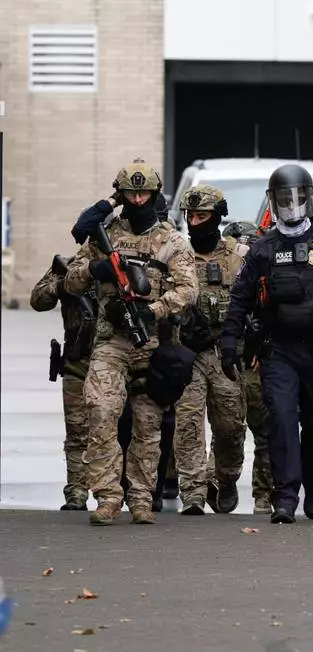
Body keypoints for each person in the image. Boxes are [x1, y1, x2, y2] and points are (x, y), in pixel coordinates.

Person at [219, 164, 313, 524]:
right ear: (273, 202)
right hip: (279, 350)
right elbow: (239, 298)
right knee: (282, 419)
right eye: (284, 199)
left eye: (298, 198)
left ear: (309, 198)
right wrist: (229, 340)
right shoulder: (263, 249)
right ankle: (285, 497)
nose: (292, 205)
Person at [63, 159, 199, 526]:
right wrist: (95, 269)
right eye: (131, 193)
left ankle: (141, 498)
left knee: (147, 425)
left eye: (144, 194)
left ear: (154, 195)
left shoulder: (172, 241)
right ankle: (108, 496)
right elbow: (70, 281)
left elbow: (188, 290)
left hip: (153, 343)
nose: (138, 200)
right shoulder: (103, 235)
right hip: (111, 342)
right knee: (101, 411)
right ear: (120, 195)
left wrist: (154, 310)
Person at [173, 185, 249, 515]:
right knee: (188, 423)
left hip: (225, 352)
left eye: (201, 216)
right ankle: (192, 491)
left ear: (217, 217)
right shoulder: (177, 255)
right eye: (190, 216)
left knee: (230, 427)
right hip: (189, 353)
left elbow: (256, 300)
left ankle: (224, 477)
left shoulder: (240, 256)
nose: (194, 222)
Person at [31, 253, 98, 510]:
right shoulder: (70, 266)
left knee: (119, 432)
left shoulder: (122, 266)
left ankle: (116, 493)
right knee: (77, 431)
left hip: (118, 362)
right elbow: (38, 300)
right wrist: (65, 285)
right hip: (77, 361)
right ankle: (77, 492)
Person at [221, 221, 273, 513]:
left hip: (257, 361)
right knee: (227, 428)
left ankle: (264, 494)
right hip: (227, 359)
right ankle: (222, 480)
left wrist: (263, 344)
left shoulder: (267, 274)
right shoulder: (218, 271)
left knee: (265, 430)